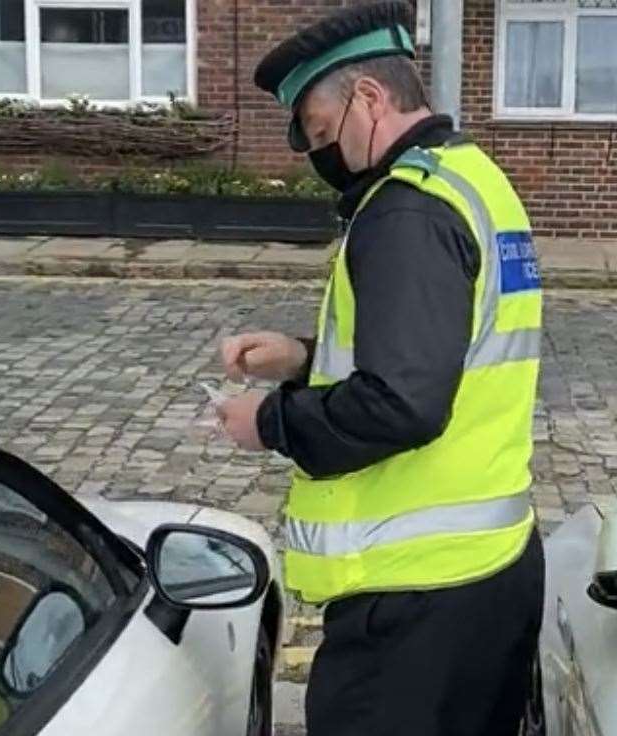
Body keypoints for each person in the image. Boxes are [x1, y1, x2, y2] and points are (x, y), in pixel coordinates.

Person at [216, 3, 545, 734]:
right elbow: (441, 347)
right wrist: (302, 358)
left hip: (412, 603)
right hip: (485, 571)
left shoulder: (405, 213)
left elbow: (401, 403)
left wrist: (266, 421)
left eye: (321, 133)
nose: (320, 157)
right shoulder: (469, 175)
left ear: (369, 97)